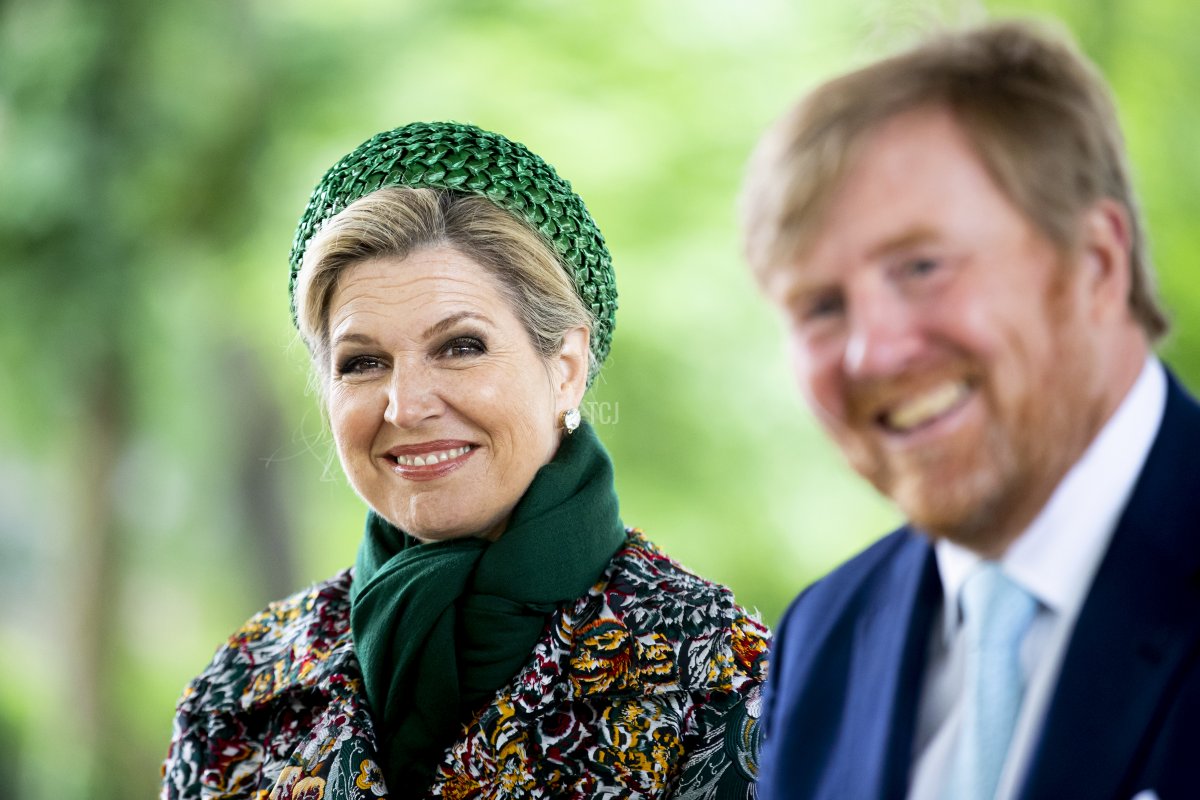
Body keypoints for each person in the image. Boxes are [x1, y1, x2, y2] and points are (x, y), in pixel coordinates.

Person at [161, 122, 769, 800]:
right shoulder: (245, 687)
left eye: (460, 346)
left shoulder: (720, 678)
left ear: (565, 369)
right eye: (362, 362)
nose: (406, 404)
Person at [740, 19, 1199, 800]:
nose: (870, 354)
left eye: (921, 266)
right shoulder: (821, 641)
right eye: (820, 306)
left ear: (1096, 264)